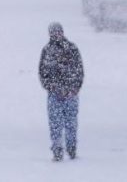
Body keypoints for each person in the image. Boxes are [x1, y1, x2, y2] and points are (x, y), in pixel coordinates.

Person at [38, 22, 83, 161]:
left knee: (71, 123)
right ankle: (57, 150)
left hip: (71, 94)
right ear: (50, 34)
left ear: (62, 32)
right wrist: (52, 87)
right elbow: (42, 73)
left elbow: (79, 70)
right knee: (55, 124)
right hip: (54, 95)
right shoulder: (46, 50)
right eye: (53, 32)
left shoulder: (72, 48)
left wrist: (74, 88)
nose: (56, 34)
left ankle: (71, 148)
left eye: (58, 32)